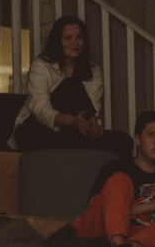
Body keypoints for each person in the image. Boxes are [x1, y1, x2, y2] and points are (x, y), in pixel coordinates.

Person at [58, 110, 155, 247]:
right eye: (151, 135)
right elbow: (104, 209)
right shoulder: (116, 167)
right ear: (137, 139)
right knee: (120, 180)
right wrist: (151, 206)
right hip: (104, 228)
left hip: (141, 233)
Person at [11, 14, 128, 155]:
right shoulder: (41, 65)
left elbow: (92, 109)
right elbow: (40, 109)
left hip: (71, 132)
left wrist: (90, 125)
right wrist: (73, 121)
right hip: (36, 129)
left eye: (79, 38)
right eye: (68, 38)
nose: (75, 43)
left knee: (124, 141)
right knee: (71, 85)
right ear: (58, 41)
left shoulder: (93, 71)